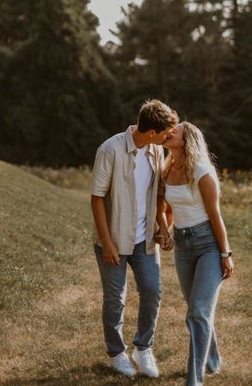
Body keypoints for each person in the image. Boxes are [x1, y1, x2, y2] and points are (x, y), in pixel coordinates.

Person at [90, 99, 178, 379]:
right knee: (115, 299)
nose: (169, 138)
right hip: (114, 238)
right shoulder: (110, 149)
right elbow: (96, 197)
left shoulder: (155, 152)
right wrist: (107, 242)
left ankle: (143, 348)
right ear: (152, 132)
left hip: (145, 241)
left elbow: (157, 197)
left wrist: (163, 228)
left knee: (153, 290)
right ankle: (117, 354)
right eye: (165, 133)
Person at [156, 122, 234, 386]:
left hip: (208, 246)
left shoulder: (202, 171)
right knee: (196, 311)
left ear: (187, 139)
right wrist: (165, 232)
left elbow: (215, 215)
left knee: (197, 313)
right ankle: (212, 361)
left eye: (174, 131)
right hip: (183, 245)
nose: (169, 132)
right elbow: (167, 210)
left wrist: (226, 253)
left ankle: (194, 380)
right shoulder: (167, 170)